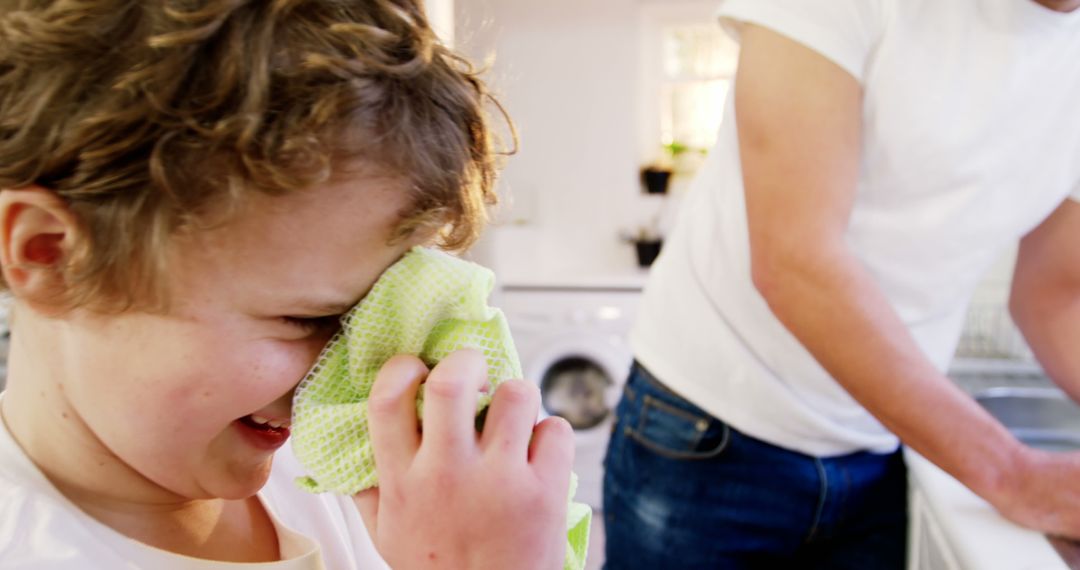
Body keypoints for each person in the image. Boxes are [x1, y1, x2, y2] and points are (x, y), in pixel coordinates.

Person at [0, 1, 574, 568]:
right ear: (53, 256)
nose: (361, 364)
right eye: (304, 320)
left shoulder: (344, 466)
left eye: (382, 308)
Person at [603, 0, 1080, 567]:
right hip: (705, 431)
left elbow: (1054, 296)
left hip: (881, 446)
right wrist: (1009, 472)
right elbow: (796, 262)